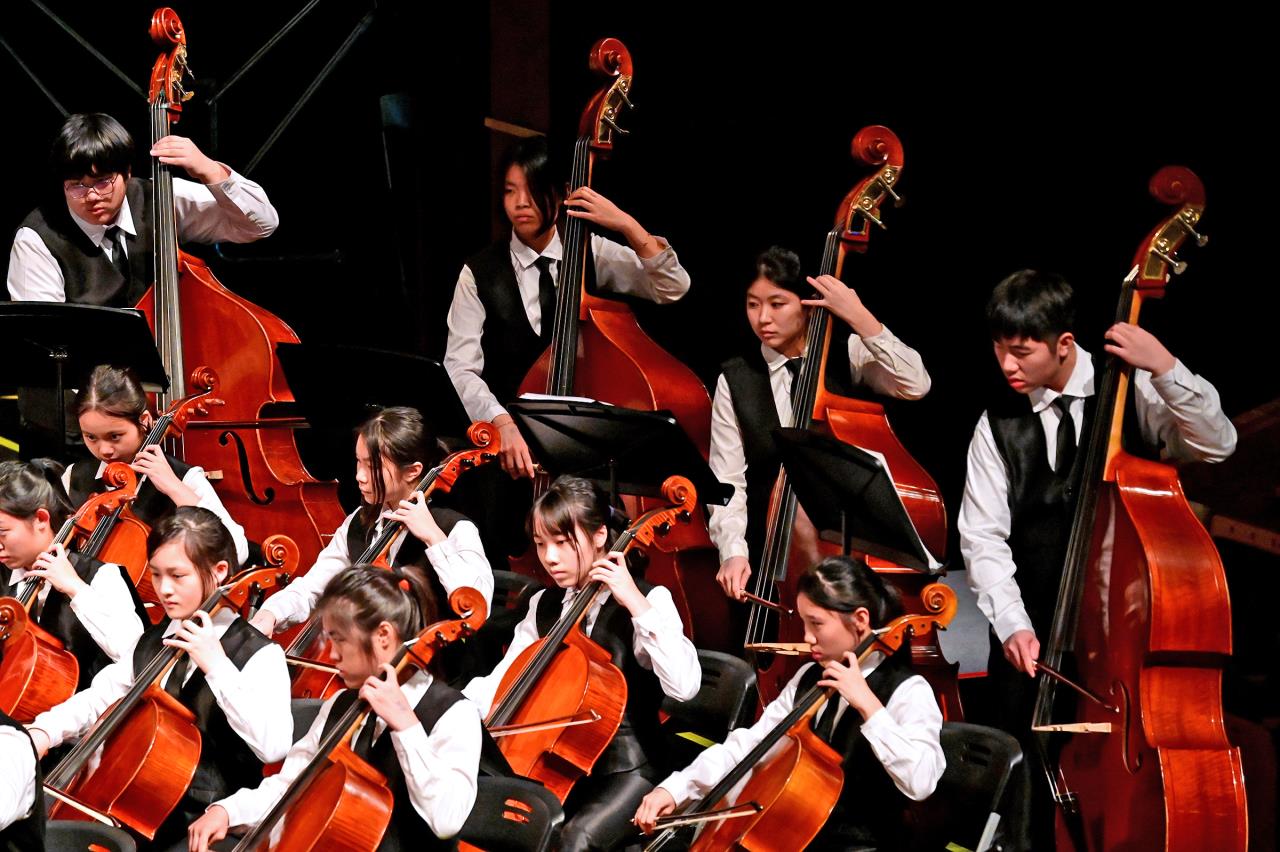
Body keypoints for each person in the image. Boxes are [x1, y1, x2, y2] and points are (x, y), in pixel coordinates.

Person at [958, 268, 1237, 847]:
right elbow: (982, 537)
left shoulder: (1133, 391)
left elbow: (1218, 443)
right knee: (1025, 806)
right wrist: (1011, 623)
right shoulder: (996, 422)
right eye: (998, 349)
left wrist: (1165, 367)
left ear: (1064, 344)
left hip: (1121, 651)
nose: (1006, 365)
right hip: (1031, 643)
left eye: (1021, 352)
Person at [635, 555, 945, 850]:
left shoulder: (908, 691)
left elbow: (921, 781)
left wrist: (869, 707)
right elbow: (751, 746)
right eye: (804, 623)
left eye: (816, 624)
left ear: (860, 620)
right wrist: (677, 788)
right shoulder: (810, 677)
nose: (807, 637)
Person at [27, 507, 293, 850]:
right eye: (156, 574)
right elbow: (100, 697)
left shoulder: (259, 654)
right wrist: (43, 732)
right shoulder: (156, 639)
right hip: (138, 804)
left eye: (178, 576)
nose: (164, 589)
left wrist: (217, 667)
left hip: (205, 823)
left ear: (219, 571)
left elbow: (274, 746)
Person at [463, 475, 701, 852]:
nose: (549, 558)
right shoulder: (544, 605)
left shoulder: (649, 600)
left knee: (573, 841)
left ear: (600, 535)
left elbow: (685, 686)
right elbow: (502, 680)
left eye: (562, 543)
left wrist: (635, 603)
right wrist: (450, 713)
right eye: (541, 544)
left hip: (629, 769)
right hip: (556, 761)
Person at [188, 564, 492, 851]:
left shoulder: (454, 714)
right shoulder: (341, 704)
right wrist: (228, 811)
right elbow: (292, 788)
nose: (331, 655)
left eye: (340, 640)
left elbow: (447, 819)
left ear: (383, 636)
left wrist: (406, 727)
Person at [710, 245, 931, 603]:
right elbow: (726, 479)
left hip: (851, 552)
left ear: (809, 304)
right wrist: (732, 550)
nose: (763, 318)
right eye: (753, 304)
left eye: (777, 304)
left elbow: (915, 384)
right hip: (774, 559)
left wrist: (860, 317)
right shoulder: (735, 380)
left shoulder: (851, 354)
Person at [249, 407, 493, 643]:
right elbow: (313, 588)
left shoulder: (455, 529)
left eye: (373, 466)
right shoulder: (359, 522)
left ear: (412, 471)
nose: (360, 476)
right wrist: (271, 614)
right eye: (359, 462)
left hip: (430, 666)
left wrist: (434, 539)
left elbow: (477, 607)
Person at [65, 364, 249, 566]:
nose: (104, 450)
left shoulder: (184, 478)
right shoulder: (74, 476)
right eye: (91, 437)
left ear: (144, 421)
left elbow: (236, 552)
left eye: (115, 436)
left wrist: (175, 488)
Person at [0, 458, 145, 689]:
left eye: (2, 532)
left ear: (41, 519)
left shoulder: (100, 577)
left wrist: (76, 588)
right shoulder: (4, 579)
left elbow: (136, 656)